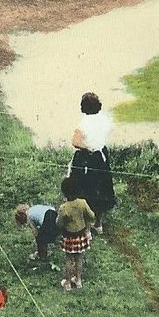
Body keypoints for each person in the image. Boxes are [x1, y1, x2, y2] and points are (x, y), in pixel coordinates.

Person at [69, 91, 116, 233]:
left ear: (83, 107)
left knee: (85, 190)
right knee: (101, 189)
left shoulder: (84, 122)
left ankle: (87, 227)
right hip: (101, 157)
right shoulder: (105, 119)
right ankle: (99, 224)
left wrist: (88, 146)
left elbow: (75, 142)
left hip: (87, 159)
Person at [56, 176, 94, 291]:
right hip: (81, 235)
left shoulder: (64, 208)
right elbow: (92, 215)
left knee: (69, 259)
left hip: (69, 236)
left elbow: (59, 223)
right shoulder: (82, 203)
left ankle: (67, 283)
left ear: (64, 193)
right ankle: (78, 280)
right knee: (79, 259)